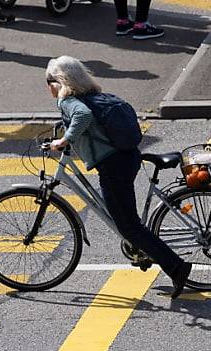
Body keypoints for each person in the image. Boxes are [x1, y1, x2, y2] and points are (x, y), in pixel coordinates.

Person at [45, 56, 192, 297]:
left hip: (113, 166)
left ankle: (177, 267)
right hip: (126, 157)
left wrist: (63, 140)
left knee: (128, 226)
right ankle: (143, 250)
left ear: (58, 82)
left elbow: (82, 117)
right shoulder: (91, 96)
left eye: (48, 82)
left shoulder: (68, 101)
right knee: (128, 220)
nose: (47, 87)